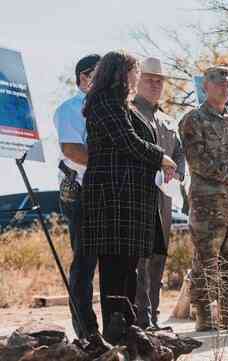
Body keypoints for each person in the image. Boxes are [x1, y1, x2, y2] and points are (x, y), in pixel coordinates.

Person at [80, 50, 177, 341]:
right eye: (135, 71)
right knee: (114, 266)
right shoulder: (104, 103)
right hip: (112, 198)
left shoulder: (121, 105)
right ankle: (114, 327)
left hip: (130, 199)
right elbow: (128, 142)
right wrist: (162, 157)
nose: (137, 77)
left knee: (129, 266)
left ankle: (128, 324)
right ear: (120, 73)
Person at [179, 66, 228, 331]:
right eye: (218, 83)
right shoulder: (193, 119)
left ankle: (227, 312)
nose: (224, 88)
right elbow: (197, 160)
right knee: (206, 258)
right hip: (208, 203)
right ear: (205, 87)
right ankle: (204, 315)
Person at [133, 57, 186, 330]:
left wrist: (177, 174)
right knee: (139, 259)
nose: (155, 84)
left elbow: (179, 154)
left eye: (159, 80)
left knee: (158, 257)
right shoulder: (130, 113)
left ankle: (153, 317)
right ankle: (139, 319)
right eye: (149, 79)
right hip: (138, 196)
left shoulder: (168, 120)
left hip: (164, 198)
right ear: (137, 81)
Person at [53, 53, 100, 339]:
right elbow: (72, 150)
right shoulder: (70, 108)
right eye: (99, 74)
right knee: (84, 262)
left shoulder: (110, 108)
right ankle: (86, 331)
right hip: (80, 192)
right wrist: (108, 164)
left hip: (105, 192)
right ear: (84, 77)